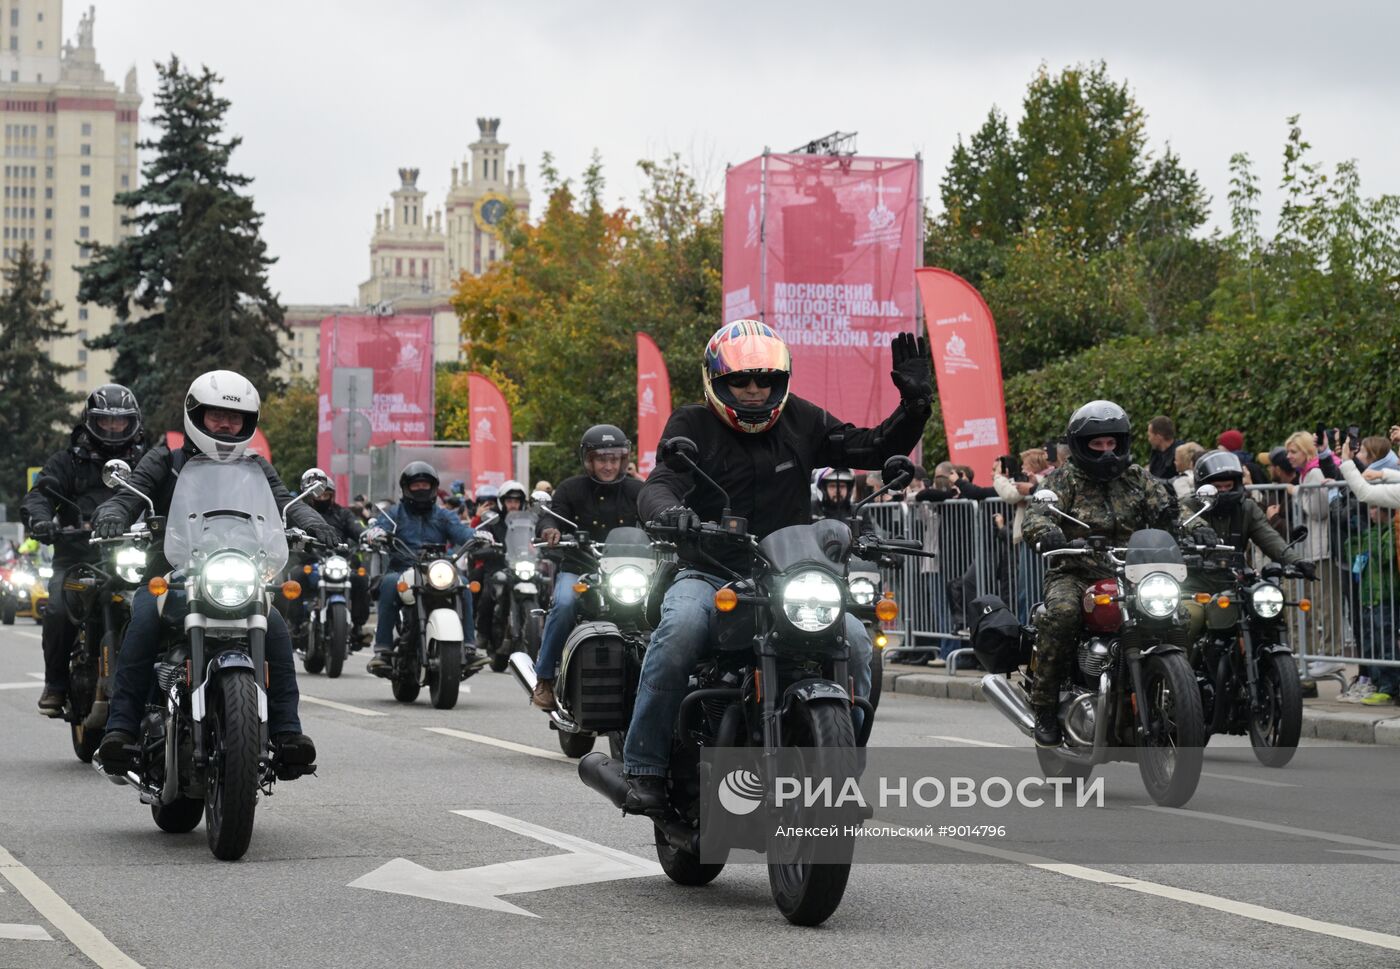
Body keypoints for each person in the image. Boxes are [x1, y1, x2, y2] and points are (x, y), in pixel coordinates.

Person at [621, 321, 931, 812]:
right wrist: (667, 512)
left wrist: (914, 408)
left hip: (788, 576)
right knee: (678, 629)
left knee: (855, 643)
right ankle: (644, 766)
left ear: (780, 381)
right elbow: (662, 481)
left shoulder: (802, 420)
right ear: (716, 382)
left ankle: (841, 767)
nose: (753, 390)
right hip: (711, 571)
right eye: (741, 381)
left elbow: (871, 447)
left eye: (764, 380)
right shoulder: (692, 426)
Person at [92, 371, 333, 771]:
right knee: (144, 618)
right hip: (172, 576)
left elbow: (285, 503)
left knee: (273, 626)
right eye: (217, 415)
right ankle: (120, 730)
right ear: (196, 415)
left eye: (235, 418)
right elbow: (128, 494)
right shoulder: (165, 460)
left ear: (248, 423)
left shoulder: (256, 466)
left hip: (237, 576)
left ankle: (288, 733)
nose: (226, 424)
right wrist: (113, 514)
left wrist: (315, 523)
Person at [1021, 401, 1179, 748]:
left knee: (1183, 612)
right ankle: (1045, 707)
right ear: (1081, 446)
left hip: (1135, 572)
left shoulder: (1137, 477)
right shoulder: (1064, 479)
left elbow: (1168, 509)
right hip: (1076, 573)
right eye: (1097, 445)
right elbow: (1037, 514)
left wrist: (1192, 528)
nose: (1107, 452)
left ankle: (1182, 696)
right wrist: (1045, 531)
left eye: (1112, 444)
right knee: (1062, 616)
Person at [21, 384, 147, 716]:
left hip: (134, 557)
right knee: (60, 607)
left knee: (165, 605)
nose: (114, 429)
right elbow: (40, 495)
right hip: (78, 557)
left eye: (121, 423)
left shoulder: (147, 461)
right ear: (91, 422)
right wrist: (42, 520)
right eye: (106, 422)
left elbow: (174, 494)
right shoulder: (67, 462)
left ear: (133, 423)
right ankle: (56, 684)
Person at [531, 426, 644, 709]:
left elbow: (656, 515)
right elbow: (550, 519)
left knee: (659, 606)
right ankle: (544, 677)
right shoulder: (571, 489)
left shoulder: (638, 490)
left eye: (614, 459)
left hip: (627, 572)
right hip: (580, 568)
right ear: (588, 460)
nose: (608, 465)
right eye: (601, 459)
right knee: (565, 603)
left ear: (623, 459)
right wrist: (549, 531)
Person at [1179, 450, 1314, 640]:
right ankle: (1182, 668)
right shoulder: (1188, 508)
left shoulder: (1246, 508)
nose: (1224, 491)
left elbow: (1269, 537)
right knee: (1192, 618)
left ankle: (1276, 656)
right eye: (1218, 487)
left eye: (1228, 485)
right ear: (1203, 487)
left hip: (1235, 583)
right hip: (1194, 587)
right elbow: (1173, 530)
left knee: (1269, 612)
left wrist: (1296, 561)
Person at [365, 462, 478, 674]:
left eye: (425, 485)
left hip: (436, 569)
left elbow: (462, 534)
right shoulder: (395, 514)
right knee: (389, 583)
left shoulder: (443, 515)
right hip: (403, 568)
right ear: (406, 488)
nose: (421, 489)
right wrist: (375, 532)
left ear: (434, 488)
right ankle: (383, 650)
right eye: (416, 485)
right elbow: (380, 526)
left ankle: (470, 647)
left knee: (463, 584)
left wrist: (478, 536)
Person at [297, 472, 371, 643]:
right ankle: (296, 625)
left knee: (360, 579)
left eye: (326, 494)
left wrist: (366, 536)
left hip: (338, 561)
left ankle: (358, 627)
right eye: (318, 495)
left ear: (332, 495)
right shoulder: (300, 512)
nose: (322, 498)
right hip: (311, 560)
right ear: (310, 496)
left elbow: (355, 527)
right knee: (296, 576)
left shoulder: (342, 514)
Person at [472, 478, 528, 649]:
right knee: (487, 595)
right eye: (509, 501)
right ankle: (482, 633)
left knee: (543, 587)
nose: (513, 505)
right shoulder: (492, 519)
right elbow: (479, 534)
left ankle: (538, 630)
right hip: (497, 566)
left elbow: (538, 535)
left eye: (516, 501)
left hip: (521, 566)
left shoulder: (527, 519)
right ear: (502, 502)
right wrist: (487, 546)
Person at [1147, 415, 1179, 481]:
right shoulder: (1156, 452)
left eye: (1149, 436)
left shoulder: (1179, 453)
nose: (1149, 439)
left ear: (1158, 437)